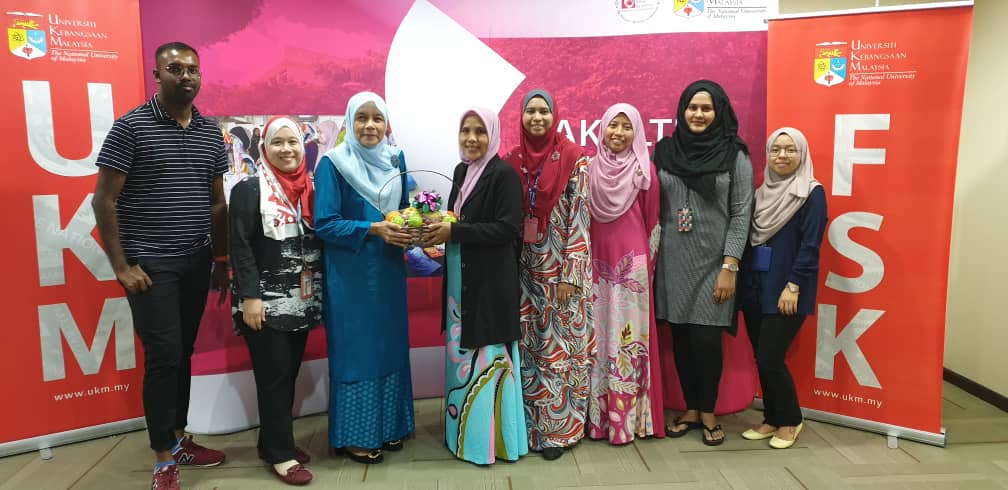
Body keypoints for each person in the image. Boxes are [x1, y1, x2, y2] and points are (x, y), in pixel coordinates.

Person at [92, 41, 228, 490]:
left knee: (182, 352)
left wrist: (220, 258)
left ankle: (179, 438)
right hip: (151, 263)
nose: (186, 76)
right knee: (165, 356)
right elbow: (104, 201)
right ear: (157, 74)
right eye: (175, 68)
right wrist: (121, 267)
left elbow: (217, 202)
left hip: (196, 259)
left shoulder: (209, 132)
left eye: (193, 69)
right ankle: (163, 459)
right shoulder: (131, 127)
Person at [421, 107, 528, 465]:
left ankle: (489, 444)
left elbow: (507, 228)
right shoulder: (461, 171)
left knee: (487, 357)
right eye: (465, 131)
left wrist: (454, 231)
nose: (471, 138)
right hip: (461, 282)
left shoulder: (504, 174)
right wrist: (440, 225)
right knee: (462, 356)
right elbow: (461, 218)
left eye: (480, 131)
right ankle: (461, 438)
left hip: (489, 283)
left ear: (493, 135)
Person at [314, 91, 415, 464]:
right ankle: (356, 434)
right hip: (351, 276)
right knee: (357, 351)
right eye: (362, 118)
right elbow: (325, 224)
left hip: (389, 271)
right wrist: (374, 229)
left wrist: (412, 226)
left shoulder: (395, 159)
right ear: (349, 122)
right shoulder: (333, 164)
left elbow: (403, 207)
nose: (370, 126)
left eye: (377, 118)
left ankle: (389, 426)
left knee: (390, 345)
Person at [652, 80, 754, 446]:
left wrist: (730, 266)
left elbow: (741, 214)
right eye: (692, 107)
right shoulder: (665, 151)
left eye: (706, 108)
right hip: (673, 263)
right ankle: (692, 408)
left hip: (715, 264)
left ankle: (709, 411)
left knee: (706, 340)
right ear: (682, 111)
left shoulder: (735, 155)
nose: (698, 114)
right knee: (681, 338)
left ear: (718, 112)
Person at [228, 116, 322, 484]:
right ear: (264, 148)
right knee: (274, 378)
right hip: (264, 302)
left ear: (303, 145)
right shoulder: (249, 189)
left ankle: (272, 443)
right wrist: (250, 297)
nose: (286, 149)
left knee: (286, 374)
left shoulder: (310, 188)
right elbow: (240, 246)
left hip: (300, 300)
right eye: (277, 143)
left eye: (293, 142)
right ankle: (282, 455)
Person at [504, 89, 595, 461]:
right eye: (531, 111)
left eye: (544, 111)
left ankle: (559, 433)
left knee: (560, 352)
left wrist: (571, 274)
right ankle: (528, 429)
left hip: (561, 274)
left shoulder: (575, 159)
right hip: (523, 272)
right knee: (530, 349)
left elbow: (581, 216)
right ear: (522, 116)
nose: (537, 117)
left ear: (554, 115)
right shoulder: (512, 160)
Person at [739, 127, 827, 449]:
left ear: (801, 154)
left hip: (787, 289)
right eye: (776, 150)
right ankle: (772, 417)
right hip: (756, 287)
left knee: (770, 356)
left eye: (790, 149)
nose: (782, 156)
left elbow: (810, 245)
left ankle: (791, 419)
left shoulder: (811, 194)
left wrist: (794, 285)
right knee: (761, 357)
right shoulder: (761, 193)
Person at [586, 103, 665, 444]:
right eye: (612, 125)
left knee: (628, 341)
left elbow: (652, 223)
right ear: (602, 128)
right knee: (598, 336)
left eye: (626, 126)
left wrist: (648, 270)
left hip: (632, 269)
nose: (618, 132)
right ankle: (597, 420)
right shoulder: (588, 169)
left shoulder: (645, 171)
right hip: (595, 265)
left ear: (637, 132)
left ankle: (627, 422)